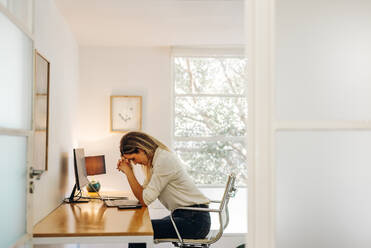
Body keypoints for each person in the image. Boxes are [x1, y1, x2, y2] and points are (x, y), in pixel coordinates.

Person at [116, 131, 211, 248]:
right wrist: (129, 171)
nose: (135, 163)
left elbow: (144, 200)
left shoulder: (163, 160)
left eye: (133, 159)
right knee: (140, 228)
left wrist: (129, 172)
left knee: (139, 232)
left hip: (195, 221)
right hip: (185, 215)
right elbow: (143, 194)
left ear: (141, 149)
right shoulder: (155, 162)